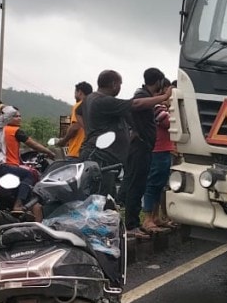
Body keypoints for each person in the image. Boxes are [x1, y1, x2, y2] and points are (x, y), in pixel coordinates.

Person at [78, 69, 172, 239]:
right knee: (101, 196)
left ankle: (106, 230)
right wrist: (163, 98)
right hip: (100, 155)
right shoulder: (103, 101)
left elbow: (125, 114)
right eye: (120, 84)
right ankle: (104, 234)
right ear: (114, 84)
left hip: (100, 153)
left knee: (104, 195)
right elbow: (135, 105)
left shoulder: (91, 99)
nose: (120, 87)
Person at [142, 79, 177, 233]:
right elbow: (168, 123)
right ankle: (147, 218)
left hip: (165, 149)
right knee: (152, 185)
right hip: (157, 150)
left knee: (160, 185)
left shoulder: (165, 106)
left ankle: (156, 217)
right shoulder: (158, 106)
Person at [54, 81, 92, 159]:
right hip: (90, 152)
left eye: (75, 92)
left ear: (80, 92)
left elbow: (75, 127)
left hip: (76, 152)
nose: (74, 95)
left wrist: (63, 141)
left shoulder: (78, 106)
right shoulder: (93, 107)